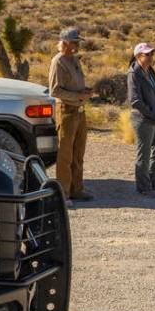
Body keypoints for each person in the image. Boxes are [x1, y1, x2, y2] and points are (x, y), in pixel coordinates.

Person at [49, 28, 94, 204]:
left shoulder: (73, 60)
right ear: (65, 42)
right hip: (66, 110)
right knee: (65, 154)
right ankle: (63, 193)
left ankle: (77, 189)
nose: (77, 44)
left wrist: (84, 92)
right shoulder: (58, 61)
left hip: (79, 110)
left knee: (78, 152)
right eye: (75, 41)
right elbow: (55, 90)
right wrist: (78, 96)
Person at [127, 42, 155, 197]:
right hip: (143, 118)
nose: (151, 57)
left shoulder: (150, 71)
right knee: (143, 153)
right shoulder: (134, 74)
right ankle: (143, 187)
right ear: (138, 56)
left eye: (152, 54)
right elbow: (135, 100)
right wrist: (151, 112)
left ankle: (152, 181)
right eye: (147, 54)